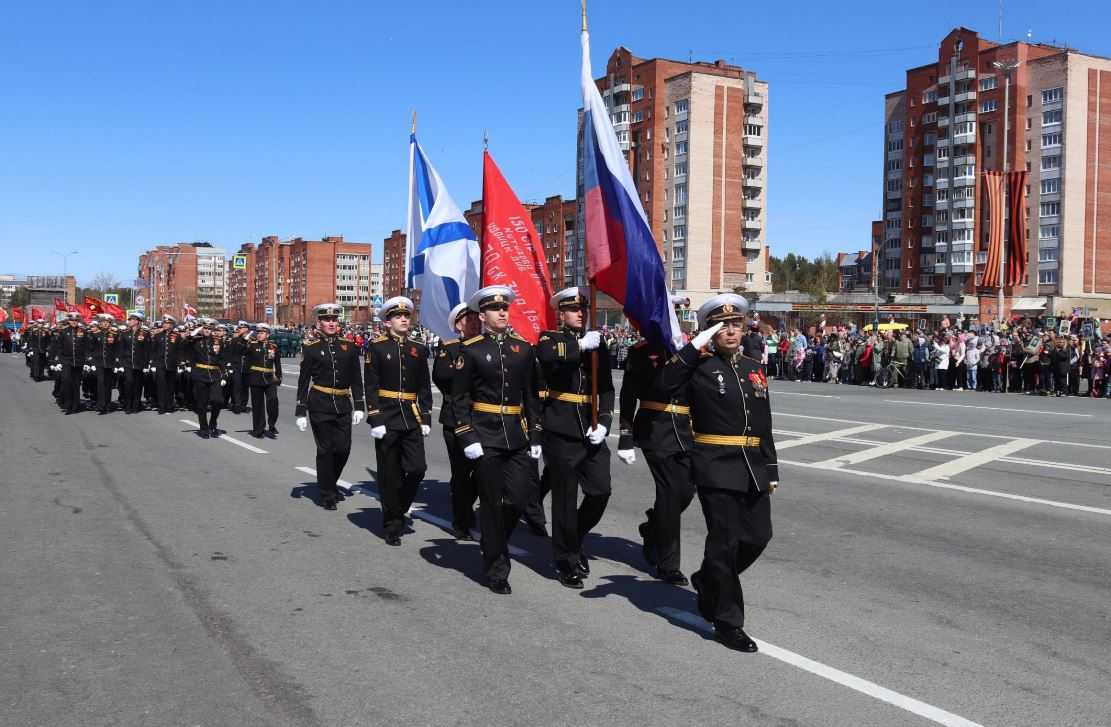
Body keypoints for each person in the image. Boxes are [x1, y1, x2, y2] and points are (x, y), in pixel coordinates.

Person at [659, 293, 778, 653]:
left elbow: (765, 422)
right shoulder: (697, 366)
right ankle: (728, 623)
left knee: (759, 536)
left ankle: (708, 578)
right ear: (709, 331)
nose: (731, 331)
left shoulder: (753, 366)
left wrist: (771, 468)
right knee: (724, 544)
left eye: (736, 323)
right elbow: (664, 382)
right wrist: (696, 345)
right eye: (722, 325)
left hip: (752, 465)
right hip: (715, 465)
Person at [451, 286, 542, 595]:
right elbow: (460, 399)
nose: (503, 312)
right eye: (495, 309)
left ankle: (491, 539)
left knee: (518, 498)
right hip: (484, 434)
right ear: (483, 315)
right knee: (491, 503)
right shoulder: (471, 349)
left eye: (505, 308)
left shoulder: (523, 348)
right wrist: (466, 434)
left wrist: (536, 433)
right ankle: (497, 570)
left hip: (515, 434)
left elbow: (531, 395)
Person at [617, 294, 695, 585]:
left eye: (674, 313)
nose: (671, 318)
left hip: (685, 429)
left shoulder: (689, 349)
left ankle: (653, 527)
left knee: (686, 491)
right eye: (667, 313)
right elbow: (628, 396)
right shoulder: (642, 352)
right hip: (655, 429)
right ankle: (667, 564)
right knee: (671, 492)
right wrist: (625, 434)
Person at [363, 296, 432, 546]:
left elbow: (424, 385)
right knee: (389, 474)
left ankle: (398, 507)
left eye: (406, 316)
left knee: (417, 468)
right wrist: (375, 417)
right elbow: (370, 385)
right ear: (387, 321)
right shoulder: (377, 347)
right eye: (397, 316)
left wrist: (425, 417)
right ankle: (391, 524)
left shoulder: (418, 348)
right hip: (387, 416)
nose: (404, 319)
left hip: (411, 416)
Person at [295, 303, 365, 510]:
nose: (332, 323)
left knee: (343, 448)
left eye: (334, 319)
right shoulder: (311, 348)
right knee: (325, 449)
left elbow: (356, 378)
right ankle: (327, 493)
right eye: (327, 320)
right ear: (319, 323)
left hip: (343, 403)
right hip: (320, 403)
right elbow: (303, 380)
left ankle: (329, 481)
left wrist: (359, 405)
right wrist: (301, 410)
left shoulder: (349, 346)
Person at [431, 302, 482, 540]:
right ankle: (461, 519)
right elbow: (442, 376)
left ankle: (465, 507)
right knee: (461, 473)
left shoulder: (487, 347)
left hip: (483, 416)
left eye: (476, 319)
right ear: (458, 326)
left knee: (485, 471)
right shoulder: (449, 348)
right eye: (469, 320)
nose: (474, 323)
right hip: (456, 417)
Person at [187, 319, 229, 438]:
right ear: (202, 329)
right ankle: (204, 429)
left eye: (209, 329)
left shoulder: (218, 341)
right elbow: (183, 344)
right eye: (205, 328)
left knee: (218, 401)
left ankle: (213, 423)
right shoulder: (195, 341)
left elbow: (222, 359)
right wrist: (193, 333)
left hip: (215, 374)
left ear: (212, 330)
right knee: (202, 404)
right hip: (200, 375)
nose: (207, 330)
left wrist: (224, 375)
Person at [245, 323, 282, 438]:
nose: (259, 335)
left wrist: (279, 377)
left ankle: (272, 424)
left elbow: (277, 364)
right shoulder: (251, 345)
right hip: (255, 378)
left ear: (268, 334)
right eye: (258, 333)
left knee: (273, 401)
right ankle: (258, 430)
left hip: (269, 379)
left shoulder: (273, 347)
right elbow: (241, 350)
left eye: (262, 333)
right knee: (258, 406)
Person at [51, 313, 87, 414]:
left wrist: (87, 361)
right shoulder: (63, 331)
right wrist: (57, 361)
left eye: (76, 320)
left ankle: (75, 406)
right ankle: (67, 405)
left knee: (76, 384)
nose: (74, 322)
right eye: (72, 320)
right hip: (66, 361)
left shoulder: (83, 331)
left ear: (78, 321)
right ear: (69, 321)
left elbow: (87, 347)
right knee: (66, 381)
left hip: (79, 361)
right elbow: (59, 347)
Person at [149, 315, 183, 414]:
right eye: (164, 323)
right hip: (160, 364)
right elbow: (153, 351)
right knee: (161, 385)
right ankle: (161, 405)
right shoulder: (157, 336)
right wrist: (153, 363)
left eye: (167, 323)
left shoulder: (177, 336)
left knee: (170, 385)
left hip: (172, 364)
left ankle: (170, 405)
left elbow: (179, 351)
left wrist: (179, 362)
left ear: (171, 325)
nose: (165, 325)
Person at [118, 312, 150, 414]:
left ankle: (136, 405)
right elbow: (121, 349)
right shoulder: (124, 332)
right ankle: (128, 404)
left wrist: (146, 365)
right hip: (127, 362)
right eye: (129, 320)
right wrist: (120, 363)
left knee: (138, 384)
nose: (129, 322)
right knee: (129, 382)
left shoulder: (145, 333)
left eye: (131, 320)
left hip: (139, 363)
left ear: (137, 321)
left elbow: (146, 350)